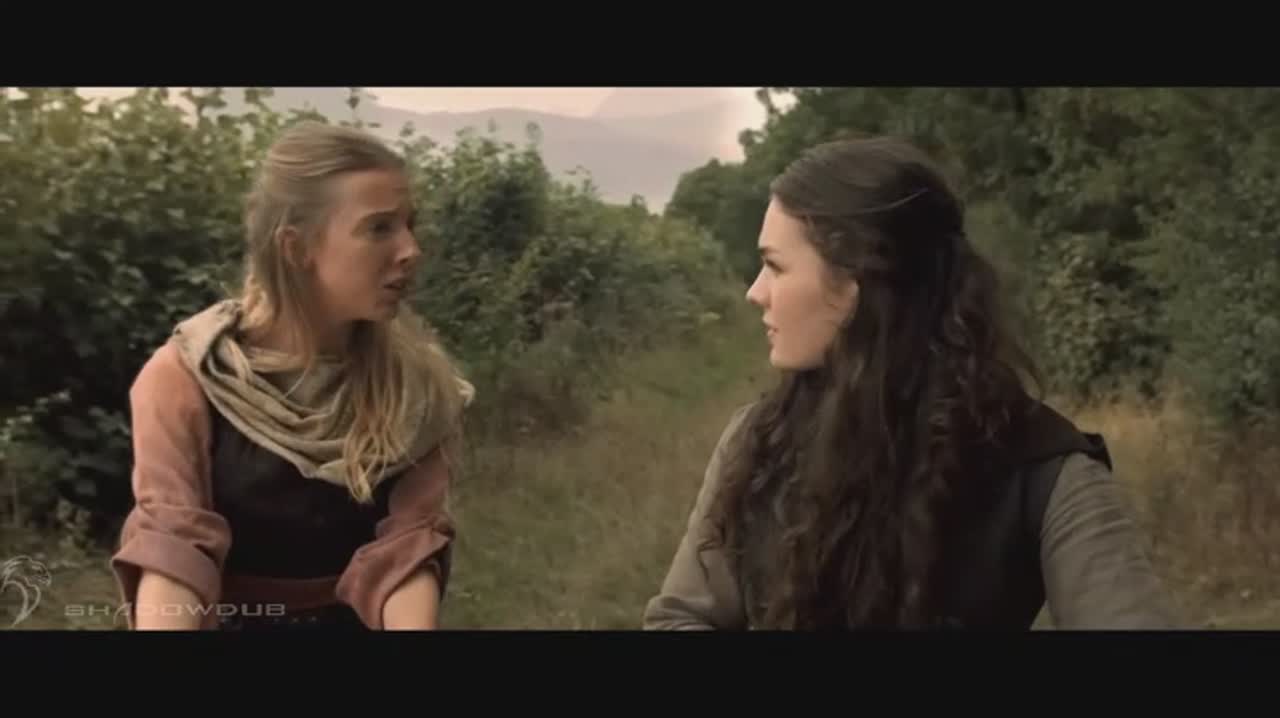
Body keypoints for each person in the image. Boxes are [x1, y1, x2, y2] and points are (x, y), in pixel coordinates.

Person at [643, 136, 1179, 630]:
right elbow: (680, 618)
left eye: (775, 267)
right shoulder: (758, 440)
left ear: (853, 285)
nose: (755, 293)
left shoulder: (1045, 471)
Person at [109, 121, 474, 630]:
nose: (411, 249)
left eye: (409, 224)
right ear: (297, 248)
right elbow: (173, 547)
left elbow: (406, 550)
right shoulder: (189, 377)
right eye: (379, 228)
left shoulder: (418, 388)